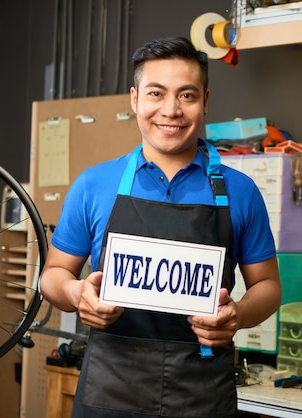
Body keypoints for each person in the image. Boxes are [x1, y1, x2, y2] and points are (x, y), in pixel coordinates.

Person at [39, 36, 282, 418]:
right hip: (110, 389)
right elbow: (52, 275)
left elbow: (268, 287)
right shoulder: (94, 184)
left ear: (205, 101)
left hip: (202, 394)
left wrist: (238, 315)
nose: (171, 110)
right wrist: (76, 292)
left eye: (187, 96)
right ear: (135, 99)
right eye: (156, 93)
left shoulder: (241, 192)